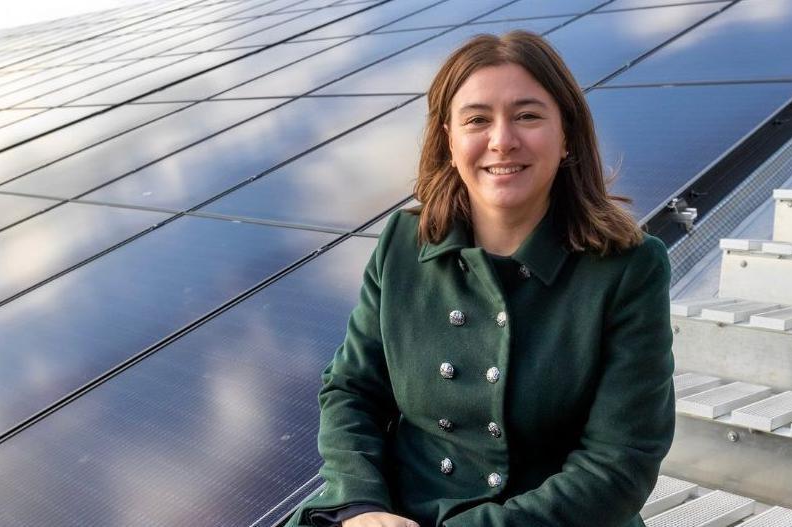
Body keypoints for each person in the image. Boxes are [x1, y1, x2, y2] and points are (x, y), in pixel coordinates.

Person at [286, 30, 675, 527]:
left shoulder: (629, 269)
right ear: (448, 140)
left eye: (528, 116)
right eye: (476, 120)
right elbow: (351, 389)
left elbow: (619, 464)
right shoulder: (403, 242)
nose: (502, 140)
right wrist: (361, 506)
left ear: (568, 137)